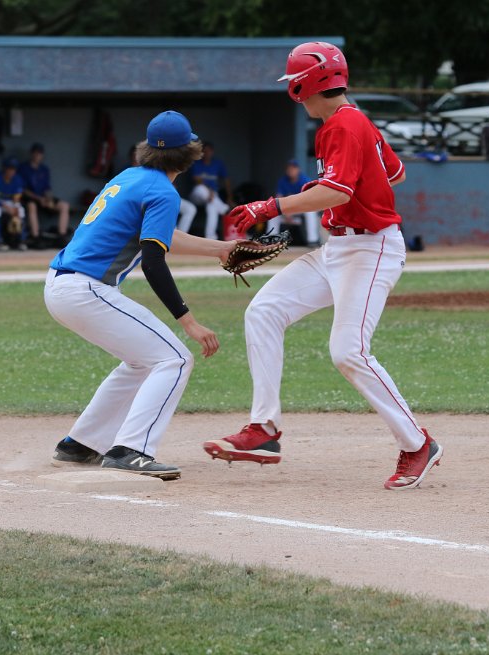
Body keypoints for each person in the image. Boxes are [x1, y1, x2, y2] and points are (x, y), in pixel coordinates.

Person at [202, 41, 443, 491]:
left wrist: (270, 206)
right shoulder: (354, 122)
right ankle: (264, 429)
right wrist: (341, 185)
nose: (294, 92)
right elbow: (395, 173)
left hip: (370, 250)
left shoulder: (343, 126)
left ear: (305, 85)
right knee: (264, 311)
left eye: (294, 83)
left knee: (348, 351)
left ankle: (417, 443)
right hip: (339, 248)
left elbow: (337, 192)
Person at [45, 111, 237, 480]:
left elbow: (160, 237)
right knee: (175, 359)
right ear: (190, 154)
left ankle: (80, 445)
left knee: (142, 362)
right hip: (86, 290)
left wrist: (220, 249)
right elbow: (153, 261)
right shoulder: (163, 191)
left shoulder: (130, 177)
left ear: (148, 149)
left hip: (62, 286)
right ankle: (131, 450)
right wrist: (189, 321)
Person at [17, 143, 72, 248]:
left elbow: (47, 188)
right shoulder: (24, 168)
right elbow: (23, 190)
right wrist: (39, 199)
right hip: (30, 198)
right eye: (36, 153)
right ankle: (35, 237)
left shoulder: (44, 169)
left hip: (43, 199)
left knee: (64, 205)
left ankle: (61, 236)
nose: (37, 155)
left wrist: (49, 199)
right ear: (31, 154)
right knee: (32, 206)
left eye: (40, 153)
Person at [188, 141, 232, 240]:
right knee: (201, 189)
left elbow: (226, 180)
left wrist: (230, 197)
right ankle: (224, 209)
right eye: (204, 151)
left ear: (212, 152)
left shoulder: (217, 163)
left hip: (212, 197)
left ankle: (211, 237)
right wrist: (209, 191)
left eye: (208, 151)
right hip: (198, 196)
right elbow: (197, 179)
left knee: (212, 207)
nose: (206, 153)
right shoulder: (197, 163)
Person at [274, 158, 321, 246]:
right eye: (289, 168)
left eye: (293, 168)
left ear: (298, 169)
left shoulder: (304, 180)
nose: (291, 170)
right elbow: (279, 198)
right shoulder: (282, 181)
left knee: (311, 212)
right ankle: (272, 239)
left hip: (301, 209)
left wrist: (292, 210)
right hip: (287, 209)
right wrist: (286, 211)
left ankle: (313, 240)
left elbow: (308, 200)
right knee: (273, 213)